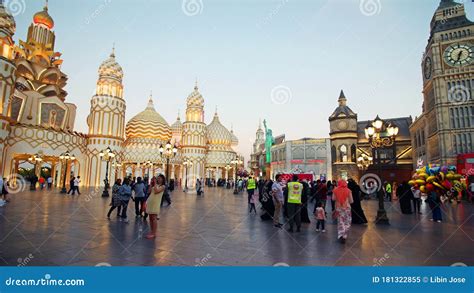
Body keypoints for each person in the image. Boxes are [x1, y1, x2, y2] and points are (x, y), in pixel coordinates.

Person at [333, 179, 354, 244]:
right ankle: (344, 234)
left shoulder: (335, 190)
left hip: (338, 208)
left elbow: (333, 199)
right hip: (347, 208)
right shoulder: (348, 191)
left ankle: (341, 234)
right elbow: (351, 201)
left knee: (340, 221)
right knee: (347, 221)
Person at [145, 175, 166, 239]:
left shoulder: (163, 186)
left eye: (160, 178)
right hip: (150, 202)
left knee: (154, 218)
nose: (158, 179)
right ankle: (151, 231)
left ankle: (154, 233)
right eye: (158, 178)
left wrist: (155, 184)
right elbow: (149, 191)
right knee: (150, 218)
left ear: (163, 180)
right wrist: (151, 184)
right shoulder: (155, 185)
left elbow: (157, 191)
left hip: (156, 203)